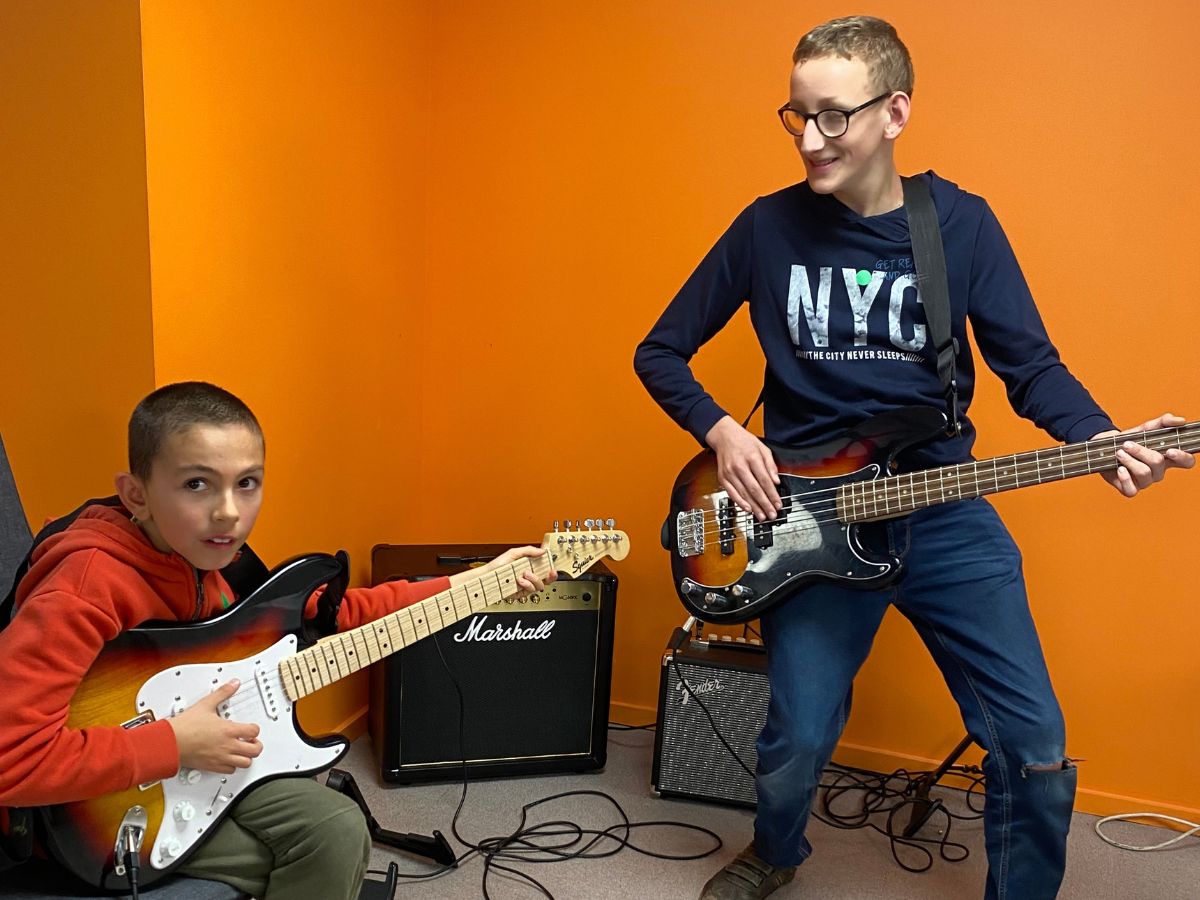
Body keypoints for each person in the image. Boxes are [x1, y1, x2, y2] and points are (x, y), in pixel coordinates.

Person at [633, 15, 1194, 900]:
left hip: (941, 507)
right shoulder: (766, 229)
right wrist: (725, 431)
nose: (811, 140)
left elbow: (1031, 366)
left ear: (895, 113)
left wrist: (1099, 439)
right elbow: (659, 351)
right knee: (795, 737)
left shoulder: (960, 226)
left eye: (834, 117)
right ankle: (775, 853)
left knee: (1035, 743)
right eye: (797, 115)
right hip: (805, 517)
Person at [0, 381, 553, 899]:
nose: (229, 513)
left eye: (247, 483)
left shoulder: (220, 559)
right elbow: (11, 759)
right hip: (95, 809)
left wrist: (479, 581)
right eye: (197, 484)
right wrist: (174, 743)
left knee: (339, 831)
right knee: (322, 858)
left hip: (210, 764)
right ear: (136, 495)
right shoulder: (84, 587)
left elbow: (346, 616)